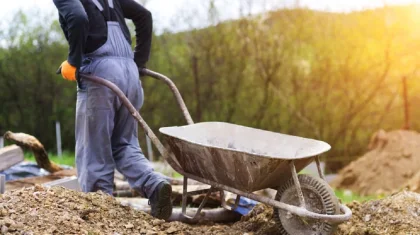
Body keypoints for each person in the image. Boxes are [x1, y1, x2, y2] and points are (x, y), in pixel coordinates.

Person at [52, 0, 173, 220]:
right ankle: (155, 185)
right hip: (129, 74)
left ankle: (100, 215)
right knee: (125, 144)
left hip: (100, 74)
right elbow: (144, 15)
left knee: (93, 150)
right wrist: (139, 63)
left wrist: (73, 60)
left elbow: (78, 18)